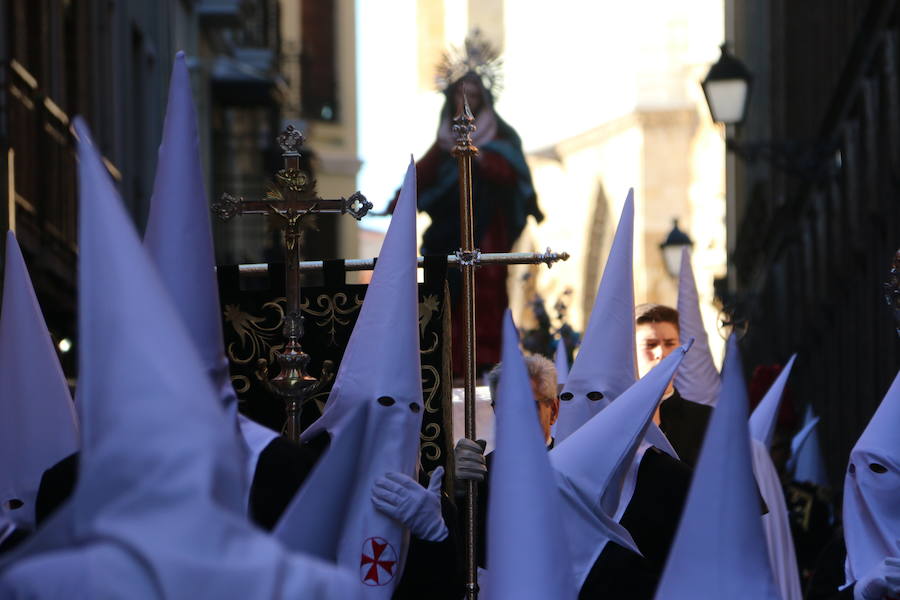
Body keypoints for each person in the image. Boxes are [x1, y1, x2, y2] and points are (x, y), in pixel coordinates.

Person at [456, 351, 694, 599]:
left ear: (555, 409)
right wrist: (459, 491)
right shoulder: (480, 474)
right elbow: (465, 557)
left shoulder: (636, 474)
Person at [390, 32, 543, 374]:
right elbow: (423, 173)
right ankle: (449, 355)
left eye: (474, 95)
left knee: (485, 287)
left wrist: (482, 160)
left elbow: (513, 171)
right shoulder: (444, 139)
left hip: (487, 224)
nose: (468, 103)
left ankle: (486, 357)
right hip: (449, 228)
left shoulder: (499, 135)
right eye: (462, 95)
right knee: (445, 287)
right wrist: (399, 200)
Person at [635, 302, 712, 466]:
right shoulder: (612, 419)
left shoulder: (709, 421)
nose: (661, 354)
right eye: (650, 344)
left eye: (670, 344)